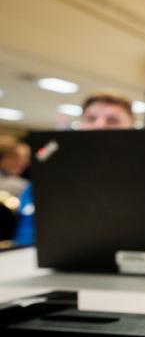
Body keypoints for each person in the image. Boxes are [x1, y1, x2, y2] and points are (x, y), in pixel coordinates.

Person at [13, 92, 135, 246]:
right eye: (91, 119)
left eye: (113, 120)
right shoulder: (52, 172)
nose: (99, 125)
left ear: (131, 126)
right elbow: (28, 234)